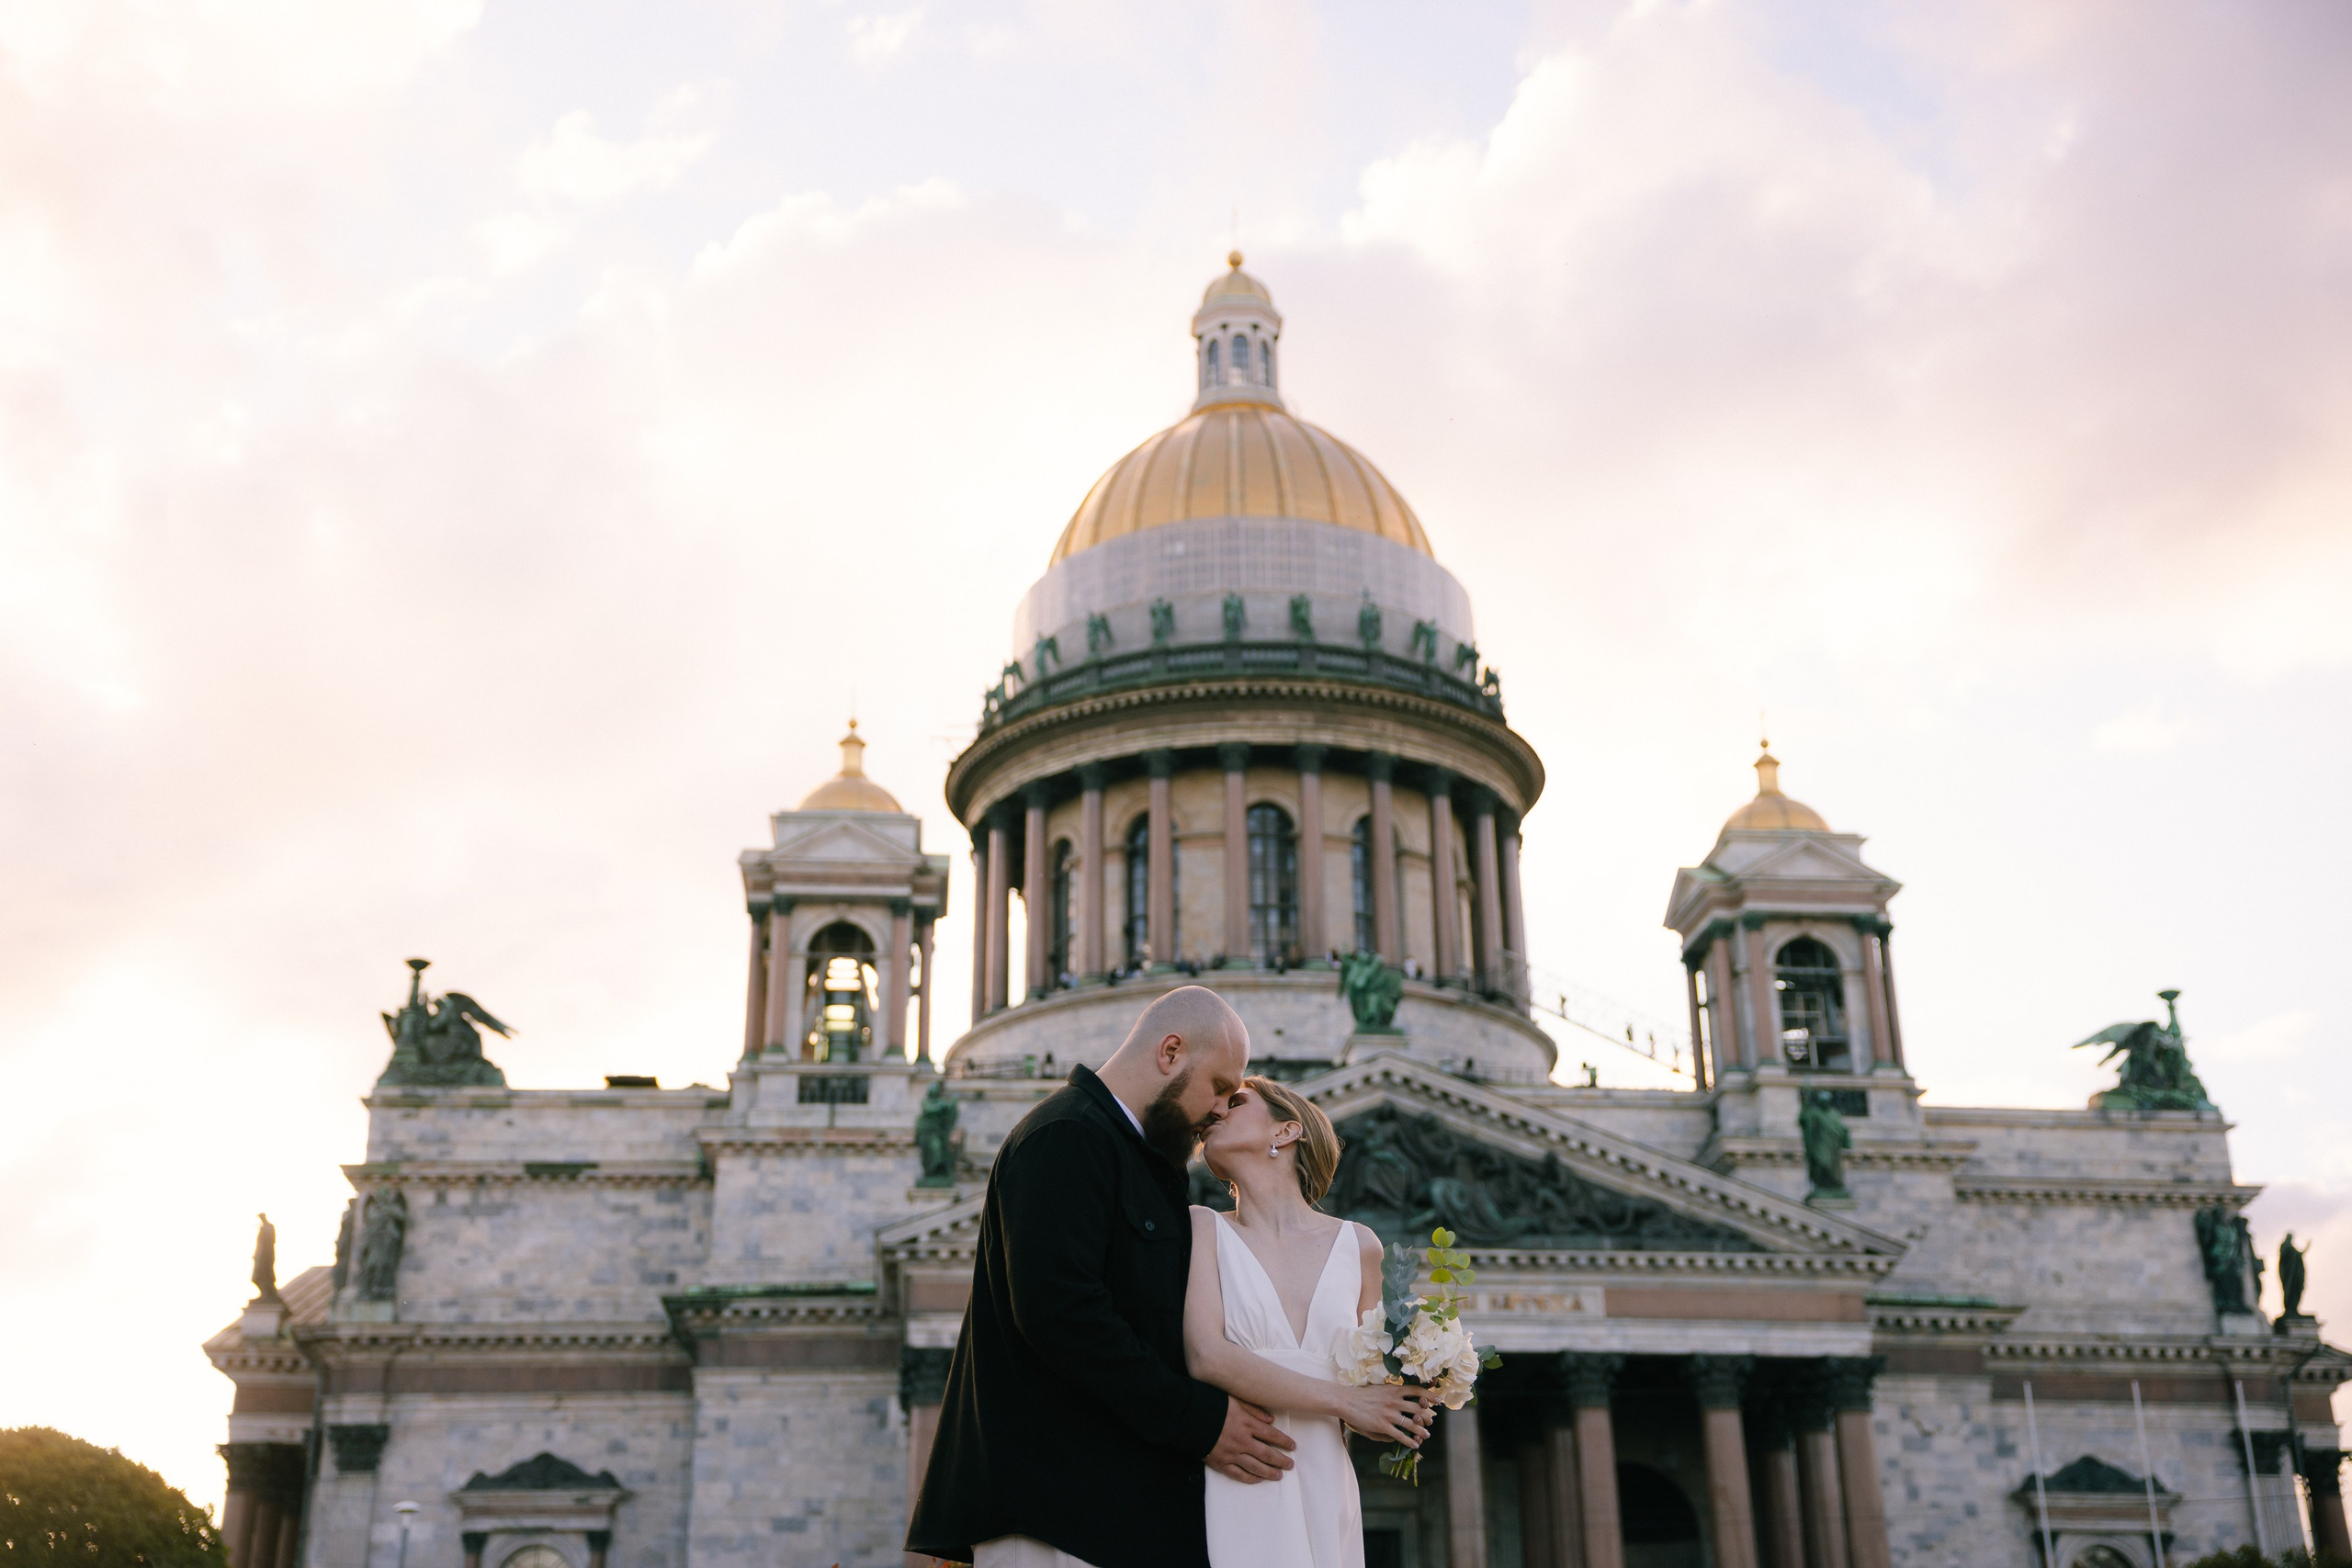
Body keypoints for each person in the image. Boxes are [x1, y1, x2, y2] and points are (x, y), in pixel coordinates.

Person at [909, 987, 1301, 1568]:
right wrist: (1198, 1422)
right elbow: (1061, 1313)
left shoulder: (1135, 1156)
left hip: (1108, 1513)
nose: (1222, 1109)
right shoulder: (1066, 1134)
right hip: (1057, 1518)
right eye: (1219, 1086)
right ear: (1170, 1052)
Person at [1186, 1077, 1430, 1568]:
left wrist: (1403, 1406)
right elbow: (1206, 1357)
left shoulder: (1360, 1245)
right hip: (1240, 1467)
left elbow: (1370, 1380)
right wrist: (1348, 1402)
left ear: (1286, 1131)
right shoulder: (1200, 1226)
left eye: (1236, 1102)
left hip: (1324, 1475)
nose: (1215, 1111)